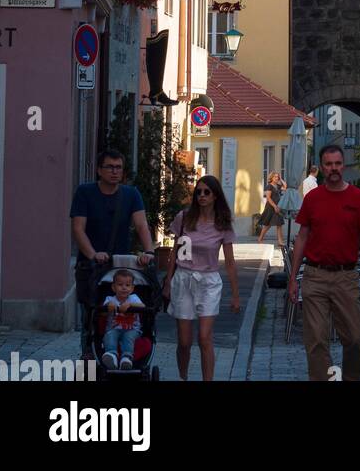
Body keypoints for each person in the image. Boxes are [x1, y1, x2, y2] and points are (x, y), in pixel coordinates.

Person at [288, 144, 360, 382]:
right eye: (328, 164)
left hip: (346, 276)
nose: (334, 168)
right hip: (315, 276)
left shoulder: (358, 198)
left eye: (337, 163)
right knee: (316, 340)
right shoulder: (313, 198)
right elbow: (302, 237)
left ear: (344, 165)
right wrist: (292, 278)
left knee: (355, 338)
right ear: (321, 167)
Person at [70, 149, 155, 355]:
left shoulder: (131, 194)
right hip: (91, 267)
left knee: (125, 312)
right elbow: (78, 229)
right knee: (91, 316)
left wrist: (149, 252)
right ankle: (89, 357)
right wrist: (92, 254)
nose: (114, 172)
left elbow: (141, 225)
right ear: (99, 170)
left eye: (118, 167)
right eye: (109, 167)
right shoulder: (85, 192)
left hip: (120, 269)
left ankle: (122, 356)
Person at [162, 174, 239, 382]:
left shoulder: (223, 223)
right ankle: (183, 376)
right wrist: (168, 280)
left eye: (207, 192)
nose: (202, 196)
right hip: (183, 279)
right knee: (184, 341)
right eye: (198, 192)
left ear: (215, 196)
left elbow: (230, 262)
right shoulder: (184, 218)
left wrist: (235, 295)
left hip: (209, 282)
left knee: (204, 337)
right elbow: (174, 252)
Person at [101, 268, 145, 370]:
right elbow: (102, 313)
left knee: (128, 337)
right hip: (114, 328)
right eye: (120, 285)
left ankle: (126, 358)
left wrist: (130, 305)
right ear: (113, 287)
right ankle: (112, 356)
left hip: (132, 329)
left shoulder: (134, 298)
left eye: (127, 285)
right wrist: (108, 307)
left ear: (132, 288)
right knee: (109, 335)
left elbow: (143, 306)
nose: (124, 288)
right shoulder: (110, 299)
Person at [257, 171, 286, 244]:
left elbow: (285, 187)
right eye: (275, 177)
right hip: (271, 207)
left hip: (278, 207)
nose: (277, 178)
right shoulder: (269, 186)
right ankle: (260, 239)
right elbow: (268, 198)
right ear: (271, 178)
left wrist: (281, 179)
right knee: (268, 225)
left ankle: (280, 241)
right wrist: (274, 206)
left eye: (277, 177)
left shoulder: (278, 186)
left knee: (279, 224)